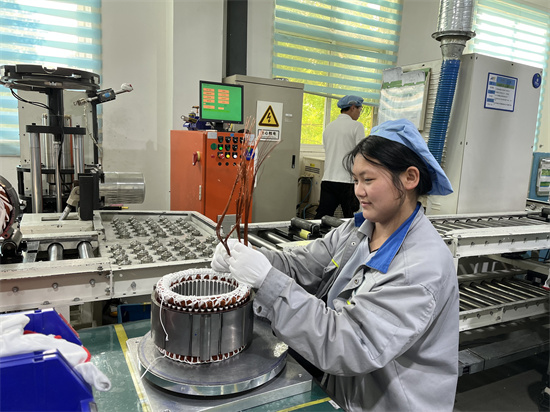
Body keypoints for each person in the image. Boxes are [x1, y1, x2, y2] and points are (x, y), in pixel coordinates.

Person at [212, 118, 458, 411]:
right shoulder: (357, 230)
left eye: (368, 180)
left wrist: (267, 281)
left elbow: (351, 344)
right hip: (344, 388)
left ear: (410, 178)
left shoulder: (419, 267)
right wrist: (250, 258)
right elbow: (303, 265)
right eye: (355, 180)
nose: (358, 191)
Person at [315, 95, 365, 219]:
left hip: (328, 180)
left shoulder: (329, 127)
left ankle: (314, 232)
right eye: (360, 110)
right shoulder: (357, 126)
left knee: (323, 218)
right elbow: (362, 153)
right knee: (351, 218)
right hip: (347, 181)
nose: (359, 113)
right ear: (353, 107)